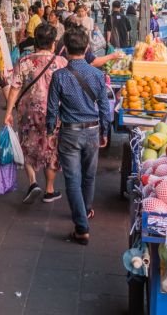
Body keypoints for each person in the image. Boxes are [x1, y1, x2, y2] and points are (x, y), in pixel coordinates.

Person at [46, 28, 113, 245]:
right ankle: (87, 210)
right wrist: (105, 131)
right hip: (93, 130)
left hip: (69, 133)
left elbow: (52, 110)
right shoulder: (97, 75)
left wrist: (49, 132)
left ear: (65, 50)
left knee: (72, 180)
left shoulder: (59, 76)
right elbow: (104, 106)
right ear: (86, 48)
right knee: (89, 176)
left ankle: (81, 226)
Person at [4, 24, 68, 204]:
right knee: (51, 148)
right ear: (53, 43)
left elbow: (15, 88)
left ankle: (33, 182)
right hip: (53, 113)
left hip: (28, 112)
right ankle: (49, 190)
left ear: (36, 41)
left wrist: (8, 112)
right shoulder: (61, 62)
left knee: (28, 144)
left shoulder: (24, 61)